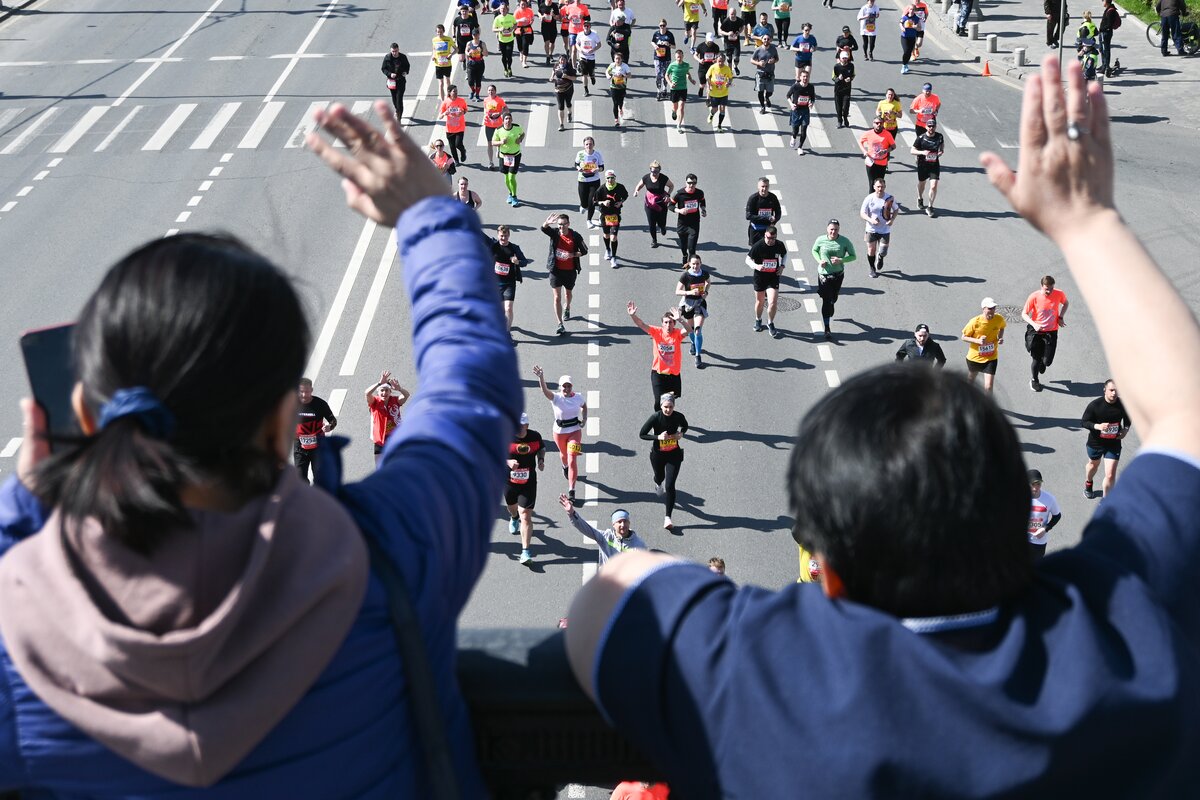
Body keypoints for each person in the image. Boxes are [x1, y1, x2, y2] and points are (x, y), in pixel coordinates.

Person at [561, 56, 1200, 798]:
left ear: (822, 569)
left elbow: (608, 595)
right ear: (1014, 522)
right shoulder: (1122, 625)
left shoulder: (763, 679)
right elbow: (1185, 410)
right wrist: (1089, 220)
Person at [0, 98, 520, 795]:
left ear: (85, 421)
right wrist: (430, 215)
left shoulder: (15, 610)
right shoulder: (387, 558)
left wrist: (27, 515)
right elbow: (469, 388)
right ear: (282, 425)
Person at [533, 366, 588, 503]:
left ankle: (572, 490)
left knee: (572, 459)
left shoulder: (578, 397)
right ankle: (565, 468)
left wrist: (584, 419)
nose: (566, 389)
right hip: (559, 432)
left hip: (575, 431)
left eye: (569, 386)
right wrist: (541, 377)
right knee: (564, 456)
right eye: (564, 386)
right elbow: (545, 391)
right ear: (560, 387)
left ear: (572, 387)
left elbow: (584, 406)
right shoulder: (556, 398)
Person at [628, 303, 694, 411]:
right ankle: (657, 422)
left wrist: (680, 319)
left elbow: (689, 330)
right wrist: (633, 315)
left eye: (671, 322)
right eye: (666, 322)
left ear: (674, 323)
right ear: (662, 324)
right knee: (659, 402)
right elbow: (641, 324)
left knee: (669, 402)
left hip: (673, 375)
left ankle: (668, 420)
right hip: (658, 373)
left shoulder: (677, 334)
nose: (668, 325)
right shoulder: (656, 332)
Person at [640, 394, 690, 531]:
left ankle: (668, 517)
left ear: (674, 406)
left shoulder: (678, 416)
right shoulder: (656, 417)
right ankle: (657, 483)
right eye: (666, 407)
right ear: (661, 406)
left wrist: (681, 433)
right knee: (659, 477)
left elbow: (685, 426)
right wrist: (658, 437)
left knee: (670, 485)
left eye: (671, 407)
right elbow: (642, 434)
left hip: (674, 454)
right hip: (658, 454)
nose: (668, 410)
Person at [506, 412, 546, 565]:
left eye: (522, 425)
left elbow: (542, 448)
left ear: (527, 425)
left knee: (526, 515)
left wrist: (541, 460)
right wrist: (508, 462)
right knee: (512, 508)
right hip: (509, 482)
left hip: (529, 482)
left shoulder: (535, 436)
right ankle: (513, 517)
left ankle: (525, 552)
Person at [1082, 379, 1131, 498]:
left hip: (1113, 443)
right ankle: (1088, 483)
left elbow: (1128, 419)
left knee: (1110, 475)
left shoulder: (1122, 405)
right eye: (1111, 390)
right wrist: (1097, 426)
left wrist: (1125, 430)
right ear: (1105, 390)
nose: (1114, 393)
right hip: (1096, 443)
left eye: (1116, 391)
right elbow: (1084, 422)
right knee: (1093, 465)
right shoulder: (1095, 405)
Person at [540, 213, 588, 334]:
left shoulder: (575, 236)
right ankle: (560, 324)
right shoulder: (555, 233)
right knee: (557, 297)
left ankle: (567, 307)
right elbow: (543, 229)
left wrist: (572, 255)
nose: (561, 227)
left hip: (570, 271)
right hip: (555, 270)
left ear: (568, 224)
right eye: (559, 224)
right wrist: (547, 222)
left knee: (568, 294)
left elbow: (584, 251)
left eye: (563, 224)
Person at [560, 500, 647, 565]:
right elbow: (585, 528)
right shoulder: (605, 537)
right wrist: (572, 513)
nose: (623, 524)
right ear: (613, 524)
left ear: (629, 523)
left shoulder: (639, 544)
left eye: (625, 521)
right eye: (619, 522)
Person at [811, 218, 857, 340]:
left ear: (839, 230)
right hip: (824, 275)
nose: (833, 232)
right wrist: (819, 261)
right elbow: (814, 250)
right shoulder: (820, 240)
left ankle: (832, 301)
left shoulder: (844, 241)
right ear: (827, 229)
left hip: (838, 275)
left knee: (833, 297)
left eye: (836, 229)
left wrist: (841, 260)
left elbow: (853, 256)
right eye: (831, 229)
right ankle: (827, 328)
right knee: (826, 301)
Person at [1022, 275, 1069, 392]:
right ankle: (1034, 380)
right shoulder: (1034, 296)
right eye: (1046, 289)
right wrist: (1034, 324)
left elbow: (1066, 303)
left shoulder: (1059, 293)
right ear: (1041, 286)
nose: (1049, 291)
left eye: (1051, 288)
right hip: (1036, 332)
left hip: (1052, 331)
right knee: (1036, 359)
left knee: (1047, 362)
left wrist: (1060, 317)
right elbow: (1024, 314)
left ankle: (1043, 362)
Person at [745, 226, 788, 338]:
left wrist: (782, 266)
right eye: (769, 238)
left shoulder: (779, 245)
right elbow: (747, 259)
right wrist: (756, 266)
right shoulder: (758, 246)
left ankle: (770, 323)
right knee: (759, 302)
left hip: (773, 277)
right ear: (765, 235)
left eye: (773, 238)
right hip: (760, 277)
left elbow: (785, 254)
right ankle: (758, 320)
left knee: (772, 302)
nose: (771, 240)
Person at [294, 377, 337, 484]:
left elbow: (333, 420)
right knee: (300, 477)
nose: (304, 395)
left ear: (311, 390)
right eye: (301, 392)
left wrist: (330, 427)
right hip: (300, 446)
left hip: (318, 445)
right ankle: (306, 498)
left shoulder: (320, 404)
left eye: (307, 392)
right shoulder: (293, 404)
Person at [366, 372, 411, 467]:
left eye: (387, 390)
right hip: (380, 439)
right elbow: (367, 393)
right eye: (382, 390)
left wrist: (399, 389)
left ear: (390, 392)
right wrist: (379, 383)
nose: (384, 393)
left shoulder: (395, 400)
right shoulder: (374, 402)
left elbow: (406, 395)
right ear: (378, 392)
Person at [962, 297, 1006, 393]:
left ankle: (987, 408)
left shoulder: (999, 319)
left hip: (991, 357)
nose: (992, 310)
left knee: (989, 387)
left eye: (994, 308)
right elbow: (964, 337)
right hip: (975, 358)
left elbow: (1002, 327)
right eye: (990, 308)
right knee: (970, 382)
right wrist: (977, 341)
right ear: (983, 309)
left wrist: (1000, 338)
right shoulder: (974, 322)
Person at [676, 256, 712, 367]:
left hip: (700, 303)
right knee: (690, 330)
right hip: (688, 304)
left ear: (701, 263)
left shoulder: (704, 273)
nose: (695, 266)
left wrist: (706, 292)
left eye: (697, 264)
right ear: (690, 264)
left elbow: (708, 282)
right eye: (693, 264)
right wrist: (690, 293)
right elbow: (677, 291)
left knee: (697, 330)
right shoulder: (685, 276)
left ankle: (698, 355)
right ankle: (693, 343)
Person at [859, 178, 897, 278]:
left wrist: (892, 220)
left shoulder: (889, 198)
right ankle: (872, 268)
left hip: (885, 229)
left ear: (885, 187)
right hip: (871, 229)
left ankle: (880, 257)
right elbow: (862, 213)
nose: (880, 189)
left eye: (882, 187)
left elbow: (896, 209)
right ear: (874, 187)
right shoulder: (869, 198)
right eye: (878, 187)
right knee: (871, 249)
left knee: (883, 251)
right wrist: (871, 220)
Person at [492, 224, 526, 331]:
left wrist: (517, 261)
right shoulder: (493, 246)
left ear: (509, 235)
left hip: (509, 283)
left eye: (506, 236)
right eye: (501, 236)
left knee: (508, 308)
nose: (503, 238)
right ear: (498, 235)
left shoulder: (514, 248)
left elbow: (525, 262)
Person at [633, 161, 675, 248]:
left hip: (661, 202)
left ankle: (662, 227)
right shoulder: (646, 177)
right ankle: (654, 240)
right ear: (650, 170)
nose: (654, 173)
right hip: (649, 202)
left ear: (660, 170)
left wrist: (668, 194)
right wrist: (636, 191)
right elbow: (640, 185)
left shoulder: (663, 178)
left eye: (656, 172)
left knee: (661, 221)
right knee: (651, 223)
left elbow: (671, 186)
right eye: (652, 171)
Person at [1025, 469, 1062, 562]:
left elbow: (1057, 516)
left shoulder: (1049, 499)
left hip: (1039, 542)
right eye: (1032, 484)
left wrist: (1046, 528)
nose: (1035, 488)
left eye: (1038, 484)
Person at [596, 170, 630, 267]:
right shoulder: (601, 189)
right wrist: (603, 202)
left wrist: (620, 202)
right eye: (608, 178)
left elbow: (625, 196)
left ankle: (614, 258)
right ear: (605, 179)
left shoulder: (620, 187)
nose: (610, 180)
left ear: (615, 178)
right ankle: (608, 250)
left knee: (613, 237)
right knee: (606, 235)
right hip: (605, 215)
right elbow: (595, 201)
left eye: (612, 178)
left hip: (615, 215)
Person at [911, 117, 944, 217]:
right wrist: (922, 152)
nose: (931, 128)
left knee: (933, 185)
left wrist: (941, 151)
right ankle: (920, 198)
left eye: (933, 126)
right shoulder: (921, 138)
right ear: (926, 127)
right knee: (922, 183)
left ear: (935, 127)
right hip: (922, 164)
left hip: (934, 164)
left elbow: (942, 145)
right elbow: (912, 150)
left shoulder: (939, 136)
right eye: (929, 126)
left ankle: (930, 207)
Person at [670, 173, 707, 262]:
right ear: (685, 182)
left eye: (694, 183)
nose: (691, 185)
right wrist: (679, 210)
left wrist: (703, 209)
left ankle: (691, 265)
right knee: (683, 245)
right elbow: (670, 206)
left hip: (694, 224)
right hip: (682, 224)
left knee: (691, 248)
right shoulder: (679, 194)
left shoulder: (699, 193)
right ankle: (684, 255)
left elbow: (702, 202)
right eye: (689, 183)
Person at [492, 110, 525, 206]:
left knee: (511, 177)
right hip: (504, 156)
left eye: (510, 118)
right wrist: (501, 142)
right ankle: (510, 194)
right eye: (506, 119)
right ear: (503, 121)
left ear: (512, 120)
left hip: (515, 155)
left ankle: (514, 197)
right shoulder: (498, 130)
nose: (508, 120)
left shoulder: (517, 127)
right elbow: (493, 142)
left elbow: (523, 134)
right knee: (506, 178)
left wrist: (520, 139)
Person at [858, 116, 895, 192]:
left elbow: (893, 146)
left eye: (880, 123)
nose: (878, 125)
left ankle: (879, 199)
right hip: (871, 162)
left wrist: (885, 151)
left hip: (882, 162)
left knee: (880, 183)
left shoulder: (887, 134)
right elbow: (860, 142)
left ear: (883, 124)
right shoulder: (869, 133)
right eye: (876, 123)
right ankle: (871, 201)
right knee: (872, 184)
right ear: (873, 124)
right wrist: (864, 151)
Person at [575, 136, 604, 224]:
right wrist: (578, 168)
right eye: (587, 144)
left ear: (593, 145)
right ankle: (584, 206)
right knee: (584, 203)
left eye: (590, 144)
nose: (589, 146)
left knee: (591, 200)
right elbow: (576, 164)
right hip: (583, 180)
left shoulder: (597, 154)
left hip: (594, 180)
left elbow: (602, 167)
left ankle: (589, 220)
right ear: (584, 145)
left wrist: (597, 169)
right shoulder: (580, 154)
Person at [786, 68, 816, 153]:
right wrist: (791, 104)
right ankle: (794, 137)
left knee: (804, 129)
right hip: (796, 110)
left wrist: (811, 103)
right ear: (800, 77)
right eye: (803, 77)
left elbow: (812, 98)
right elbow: (788, 96)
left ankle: (800, 147)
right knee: (795, 129)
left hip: (805, 111)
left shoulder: (811, 87)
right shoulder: (795, 86)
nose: (805, 78)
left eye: (806, 77)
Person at [745, 176, 781, 246]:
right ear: (758, 187)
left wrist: (775, 220)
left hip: (768, 230)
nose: (764, 189)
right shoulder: (753, 199)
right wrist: (766, 218)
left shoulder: (773, 198)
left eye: (766, 186)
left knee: (768, 250)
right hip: (755, 230)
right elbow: (748, 216)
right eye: (762, 186)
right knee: (756, 253)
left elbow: (778, 212)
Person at [666, 48, 697, 130]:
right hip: (674, 89)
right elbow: (666, 75)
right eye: (677, 57)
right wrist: (670, 83)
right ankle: (673, 111)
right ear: (675, 57)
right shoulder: (672, 65)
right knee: (675, 107)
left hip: (683, 88)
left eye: (680, 57)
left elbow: (687, 73)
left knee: (681, 107)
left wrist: (691, 80)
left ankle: (679, 125)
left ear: (683, 56)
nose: (679, 58)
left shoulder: (686, 65)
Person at [437, 85, 469, 165]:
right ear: (449, 92)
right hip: (450, 128)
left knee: (458, 144)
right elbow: (440, 116)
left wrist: (462, 113)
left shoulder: (461, 100)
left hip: (460, 127)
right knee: (452, 146)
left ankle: (463, 151)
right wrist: (445, 113)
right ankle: (456, 160)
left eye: (456, 91)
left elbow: (465, 110)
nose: (456, 93)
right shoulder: (446, 102)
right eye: (454, 91)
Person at [705, 52, 735, 130]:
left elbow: (731, 77)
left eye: (722, 61)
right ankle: (711, 114)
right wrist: (709, 83)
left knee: (722, 109)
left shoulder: (727, 68)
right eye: (719, 61)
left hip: (724, 93)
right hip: (714, 93)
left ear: (724, 60)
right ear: (716, 60)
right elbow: (707, 76)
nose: (720, 63)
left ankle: (719, 125)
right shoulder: (713, 67)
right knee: (715, 109)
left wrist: (729, 83)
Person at [752, 32, 780, 112]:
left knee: (770, 92)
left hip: (770, 74)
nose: (766, 40)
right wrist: (758, 63)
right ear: (762, 40)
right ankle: (762, 106)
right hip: (760, 73)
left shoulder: (773, 49)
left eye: (768, 39)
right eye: (764, 39)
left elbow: (777, 59)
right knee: (760, 91)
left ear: (770, 40)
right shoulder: (758, 49)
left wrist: (773, 61)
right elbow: (751, 60)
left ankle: (767, 97)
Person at [382, 43, 410, 119]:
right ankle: (397, 110)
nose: (394, 53)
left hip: (401, 81)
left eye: (396, 51)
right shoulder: (387, 57)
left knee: (399, 100)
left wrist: (405, 72)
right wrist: (390, 74)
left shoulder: (403, 57)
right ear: (390, 51)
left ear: (398, 50)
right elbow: (383, 69)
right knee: (394, 99)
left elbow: (407, 66)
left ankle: (399, 119)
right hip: (391, 82)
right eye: (393, 51)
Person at [551, 53, 578, 131]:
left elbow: (575, 78)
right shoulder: (556, 65)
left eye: (564, 59)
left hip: (568, 89)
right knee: (560, 106)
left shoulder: (570, 68)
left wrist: (567, 77)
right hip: (558, 90)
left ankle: (569, 113)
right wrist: (551, 77)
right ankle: (561, 124)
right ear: (559, 60)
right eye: (561, 59)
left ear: (566, 60)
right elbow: (553, 71)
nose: (562, 61)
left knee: (568, 103)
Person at [652, 20, 678, 99]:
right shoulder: (656, 34)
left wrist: (669, 44)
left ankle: (664, 90)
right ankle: (658, 91)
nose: (662, 27)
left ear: (666, 26)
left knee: (665, 75)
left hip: (666, 58)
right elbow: (652, 42)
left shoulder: (669, 35)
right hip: (657, 57)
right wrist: (655, 46)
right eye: (661, 25)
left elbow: (674, 46)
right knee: (658, 75)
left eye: (663, 25)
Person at [577, 19, 603, 95]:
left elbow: (599, 44)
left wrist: (593, 50)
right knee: (584, 74)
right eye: (585, 26)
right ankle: (586, 90)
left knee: (591, 72)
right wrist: (579, 49)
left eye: (588, 26)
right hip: (583, 57)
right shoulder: (580, 35)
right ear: (583, 27)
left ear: (590, 27)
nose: (586, 27)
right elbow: (577, 44)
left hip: (591, 57)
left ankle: (592, 76)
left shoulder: (594, 35)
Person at [605, 52, 632, 127]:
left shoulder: (625, 66)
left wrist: (623, 75)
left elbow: (630, 75)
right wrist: (608, 76)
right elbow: (607, 71)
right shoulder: (612, 65)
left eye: (619, 59)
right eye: (616, 59)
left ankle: (621, 108)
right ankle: (616, 120)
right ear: (614, 59)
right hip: (613, 87)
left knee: (620, 101)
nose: (617, 60)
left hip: (622, 87)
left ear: (621, 59)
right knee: (615, 103)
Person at [492, 1, 518, 76]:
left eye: (504, 9)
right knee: (504, 56)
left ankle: (509, 67)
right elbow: (493, 29)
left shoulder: (511, 17)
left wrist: (512, 29)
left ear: (507, 9)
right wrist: (500, 29)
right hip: (501, 40)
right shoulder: (497, 18)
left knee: (509, 56)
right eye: (501, 9)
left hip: (510, 39)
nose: (502, 10)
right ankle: (505, 69)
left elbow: (516, 24)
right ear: (499, 10)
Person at [463, 29, 489, 101]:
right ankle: (473, 90)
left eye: (477, 35)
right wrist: (468, 53)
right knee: (470, 81)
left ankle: (477, 94)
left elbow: (486, 54)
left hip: (480, 63)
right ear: (472, 35)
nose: (475, 36)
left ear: (479, 35)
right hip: (471, 63)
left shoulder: (482, 44)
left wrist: (481, 51)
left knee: (478, 81)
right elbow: (466, 51)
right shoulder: (469, 43)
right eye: (474, 35)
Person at [432, 24, 456, 101]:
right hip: (438, 64)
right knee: (440, 83)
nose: (440, 33)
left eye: (441, 32)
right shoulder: (434, 40)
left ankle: (449, 97)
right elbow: (434, 49)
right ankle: (443, 101)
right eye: (438, 32)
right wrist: (433, 56)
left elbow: (456, 49)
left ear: (444, 31)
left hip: (447, 64)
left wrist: (451, 54)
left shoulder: (448, 39)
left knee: (447, 81)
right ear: (436, 32)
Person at [719, 9, 746, 74]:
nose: (733, 15)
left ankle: (735, 66)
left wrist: (739, 32)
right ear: (729, 14)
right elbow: (720, 31)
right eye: (731, 14)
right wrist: (728, 33)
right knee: (729, 58)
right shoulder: (726, 21)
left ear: (736, 13)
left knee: (737, 57)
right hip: (727, 42)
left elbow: (742, 27)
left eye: (734, 14)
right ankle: (730, 72)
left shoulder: (739, 20)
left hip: (736, 42)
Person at [831, 50, 854, 127]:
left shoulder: (851, 66)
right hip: (838, 90)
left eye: (846, 58)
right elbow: (833, 78)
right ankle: (839, 121)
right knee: (838, 107)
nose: (845, 59)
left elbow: (853, 75)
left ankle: (845, 118)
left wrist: (849, 79)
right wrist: (838, 79)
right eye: (843, 58)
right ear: (840, 58)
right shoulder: (836, 66)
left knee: (846, 106)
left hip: (847, 90)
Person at [1098, 0, 1121, 75]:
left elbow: (1109, 25)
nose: (1102, 2)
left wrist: (1102, 29)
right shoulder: (1108, 9)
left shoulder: (1110, 11)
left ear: (1107, 1)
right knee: (1102, 49)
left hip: (1106, 34)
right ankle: (1103, 64)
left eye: (1103, 0)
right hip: (1103, 33)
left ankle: (1106, 67)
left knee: (1106, 50)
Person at [515, 0, 537, 67]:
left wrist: (530, 23)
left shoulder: (530, 10)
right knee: (520, 45)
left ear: (527, 4)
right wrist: (520, 20)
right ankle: (521, 52)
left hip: (527, 29)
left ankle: (524, 62)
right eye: (522, 4)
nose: (523, 6)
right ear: (519, 4)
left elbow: (532, 18)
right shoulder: (517, 11)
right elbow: (513, 21)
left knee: (525, 45)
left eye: (524, 4)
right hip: (519, 29)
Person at [899, 6, 919, 73]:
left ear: (915, 10)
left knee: (909, 52)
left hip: (912, 37)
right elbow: (900, 23)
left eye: (913, 9)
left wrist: (915, 27)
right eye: (910, 9)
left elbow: (919, 28)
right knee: (906, 51)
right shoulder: (905, 17)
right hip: (904, 37)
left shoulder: (916, 18)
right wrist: (902, 27)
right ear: (908, 10)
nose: (912, 10)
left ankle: (906, 64)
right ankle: (904, 65)